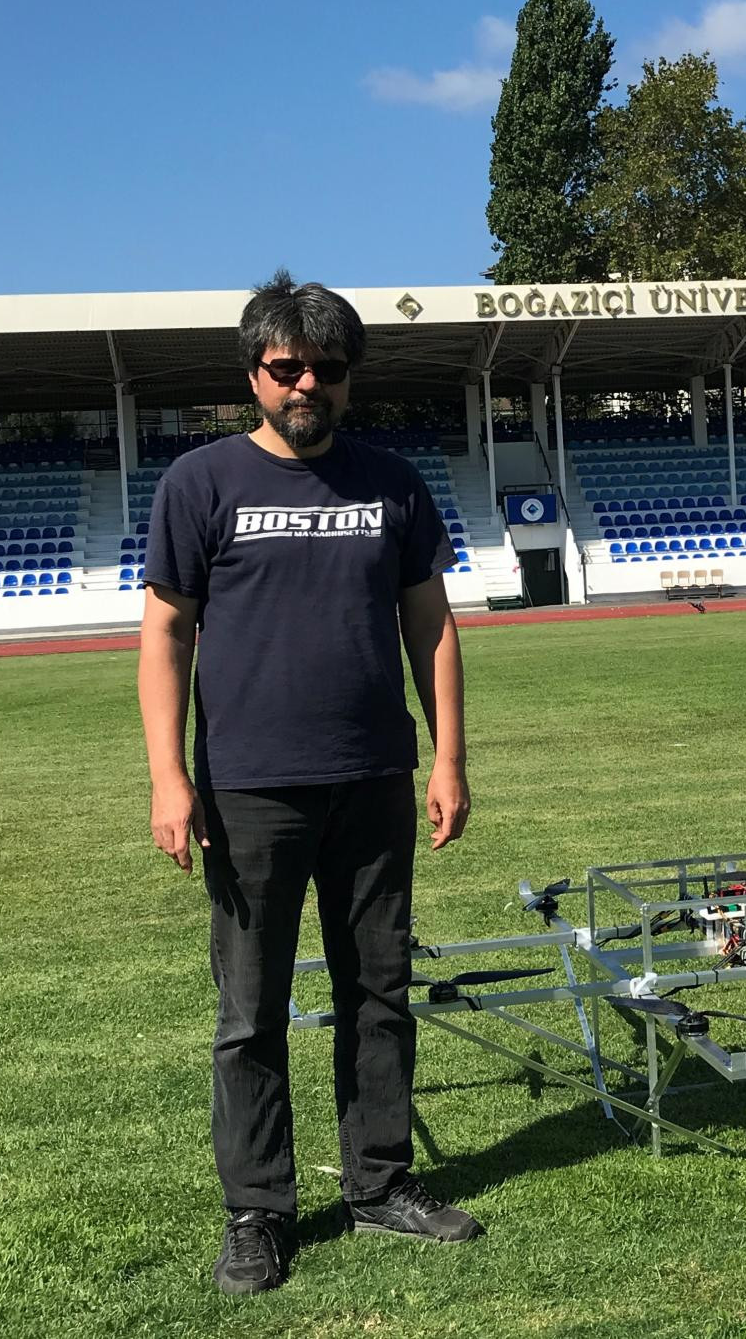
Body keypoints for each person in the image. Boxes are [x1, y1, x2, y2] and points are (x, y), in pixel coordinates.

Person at [138, 270, 481, 1298]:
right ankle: (257, 1211)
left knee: (380, 994)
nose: (308, 385)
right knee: (251, 1014)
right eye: (288, 367)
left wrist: (450, 757)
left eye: (327, 369)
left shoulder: (393, 481)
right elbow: (165, 635)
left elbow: (433, 623)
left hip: (374, 776)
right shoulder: (199, 484)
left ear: (348, 378)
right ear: (254, 373)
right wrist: (167, 778)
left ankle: (379, 1186)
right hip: (249, 790)